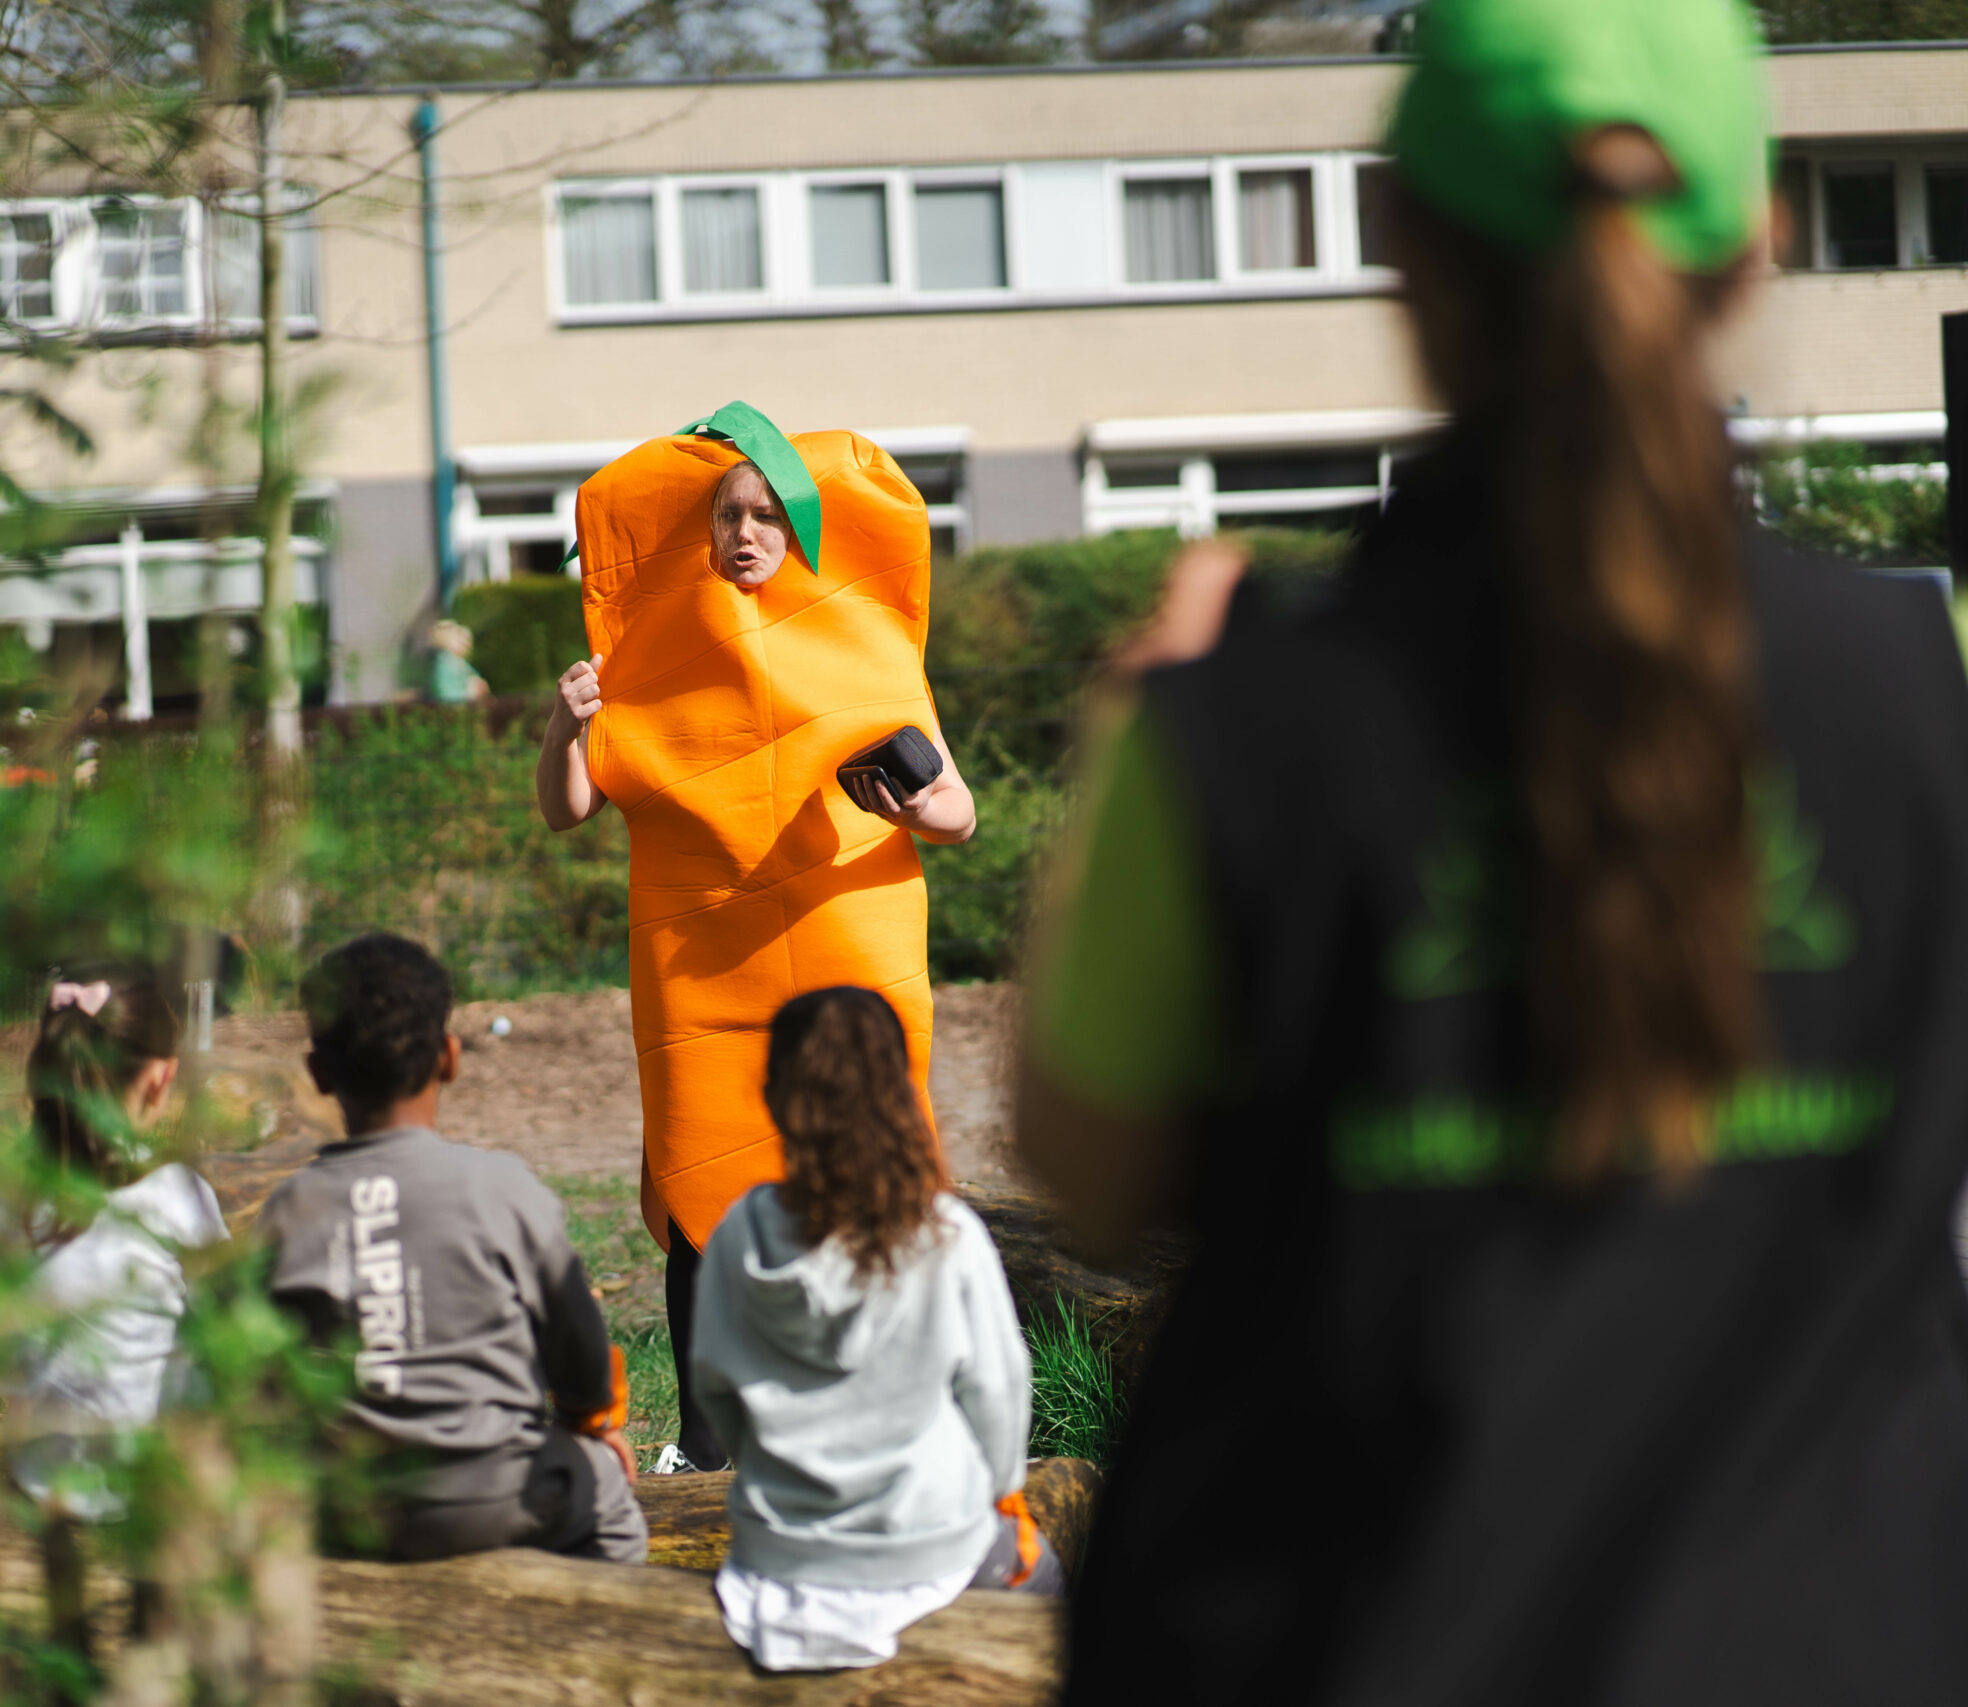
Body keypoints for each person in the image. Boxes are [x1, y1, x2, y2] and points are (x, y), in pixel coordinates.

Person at [1017, 1, 1968, 1700]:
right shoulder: (1928, 688)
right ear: (1756, 248)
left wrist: (1131, 733)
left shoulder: (1237, 731)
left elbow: (1089, 1173)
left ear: (1404, 252)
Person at [536, 401, 975, 1472]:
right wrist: (568, 721)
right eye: (728, 514)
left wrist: (911, 806)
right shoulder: (647, 658)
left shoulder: (862, 650)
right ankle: (707, 1438)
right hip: (700, 962)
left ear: (803, 533)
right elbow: (566, 809)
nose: (744, 534)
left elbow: (957, 813)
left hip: (845, 939)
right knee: (703, 1182)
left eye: (769, 516)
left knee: (866, 1167)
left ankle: (882, 1404)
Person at [693, 987, 1058, 1673]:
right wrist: (998, 1485)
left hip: (781, 1556)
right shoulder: (945, 1235)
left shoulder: (736, 1234)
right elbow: (999, 1392)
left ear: (773, 1099)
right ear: (901, 1094)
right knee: (1053, 1596)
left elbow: (715, 1391)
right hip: (933, 1544)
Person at [259, 932, 647, 1563]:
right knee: (611, 1498)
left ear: (318, 1073)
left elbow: (262, 1375)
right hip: (496, 1495)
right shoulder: (500, 1189)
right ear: (449, 1057)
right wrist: (591, 1423)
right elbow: (576, 1336)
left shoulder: (288, 1212)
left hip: (346, 1512)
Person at [0, 962, 230, 1522]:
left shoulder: (1, 1205)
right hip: (147, 1497)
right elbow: (228, 1339)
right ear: (160, 1079)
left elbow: (6, 1370)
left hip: (38, 1481)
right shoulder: (179, 1198)